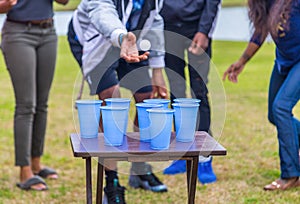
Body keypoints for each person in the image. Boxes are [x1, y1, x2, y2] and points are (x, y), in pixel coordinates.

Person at [67, 0, 168, 203]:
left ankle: (139, 171)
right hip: (95, 40)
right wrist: (121, 36)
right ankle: (111, 183)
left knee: (146, 97)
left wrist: (157, 69)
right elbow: (101, 12)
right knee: (112, 101)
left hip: (130, 42)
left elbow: (154, 20)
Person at [223, 0, 300, 191]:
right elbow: (260, 33)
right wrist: (242, 61)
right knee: (274, 116)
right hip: (284, 61)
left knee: (281, 107)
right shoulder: (264, 3)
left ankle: (291, 174)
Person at [0, 0, 69, 191]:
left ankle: (36, 164)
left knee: (41, 104)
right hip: (18, 34)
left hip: (48, 31)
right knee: (26, 105)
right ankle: (25, 171)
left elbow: (64, 1)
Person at [160, 0, 221, 184]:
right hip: (168, 28)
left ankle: (204, 158)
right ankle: (182, 154)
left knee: (199, 92)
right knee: (176, 93)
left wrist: (204, 30)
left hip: (196, 27)